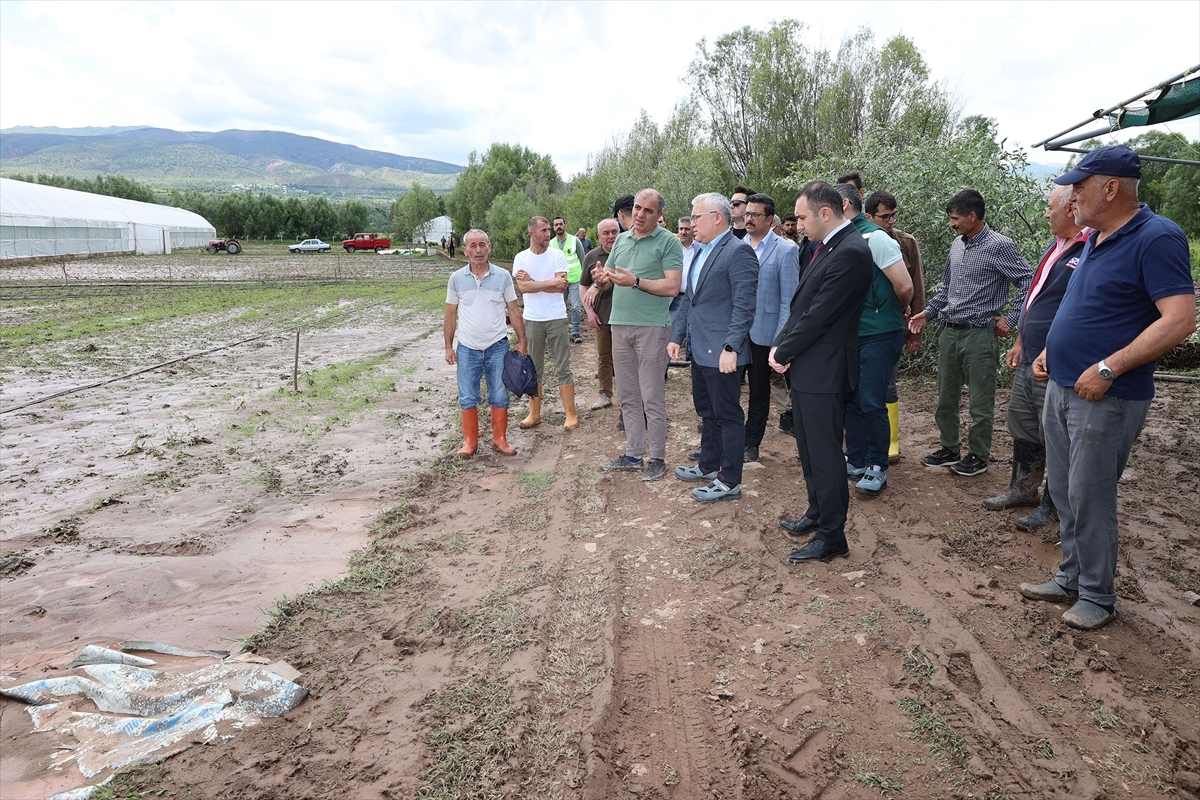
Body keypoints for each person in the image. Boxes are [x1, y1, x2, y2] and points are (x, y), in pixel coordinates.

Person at [1020, 145, 1195, 631]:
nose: (1072, 195)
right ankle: (1071, 577)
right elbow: (1088, 308)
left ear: (1111, 188)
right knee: (1063, 487)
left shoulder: (1156, 237)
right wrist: (1052, 350)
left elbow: (1180, 319)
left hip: (1107, 395)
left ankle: (1097, 595)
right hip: (1061, 383)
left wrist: (1108, 368)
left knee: (1089, 494)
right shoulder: (1095, 237)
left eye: (1080, 185)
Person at [769, 181, 873, 562]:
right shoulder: (824, 247)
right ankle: (818, 512)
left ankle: (832, 534)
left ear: (825, 213)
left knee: (826, 453)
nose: (796, 224)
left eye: (801, 217)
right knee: (810, 449)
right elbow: (802, 307)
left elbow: (820, 315)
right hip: (810, 365)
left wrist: (784, 349)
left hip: (825, 369)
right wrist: (784, 344)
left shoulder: (850, 252)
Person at [984, 186, 1090, 529]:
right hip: (1030, 355)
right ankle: (1022, 487)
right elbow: (1033, 299)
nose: (1046, 214)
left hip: (1057, 363)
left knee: (1055, 435)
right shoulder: (1055, 247)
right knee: (1024, 425)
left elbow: (1078, 309)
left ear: (1070, 208)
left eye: (1049, 207)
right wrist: (1019, 341)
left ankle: (1054, 504)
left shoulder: (1088, 248)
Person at [908, 189, 1033, 477]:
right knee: (945, 398)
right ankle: (949, 448)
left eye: (955, 218)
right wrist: (926, 314)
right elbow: (947, 291)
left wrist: (1011, 319)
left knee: (980, 400)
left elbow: (1028, 280)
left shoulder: (1000, 246)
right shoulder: (957, 245)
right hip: (949, 332)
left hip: (979, 335)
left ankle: (978, 455)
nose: (952, 223)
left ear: (972, 216)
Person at [668, 192, 758, 502]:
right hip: (701, 348)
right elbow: (689, 302)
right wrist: (675, 337)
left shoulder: (738, 252)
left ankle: (729, 480)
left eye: (695, 217)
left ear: (716, 218)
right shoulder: (701, 252)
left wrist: (731, 347)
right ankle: (708, 464)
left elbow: (744, 307)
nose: (691, 223)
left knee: (728, 415)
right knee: (708, 412)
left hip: (723, 352)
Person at [596, 189, 683, 481]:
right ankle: (633, 454)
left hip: (651, 327)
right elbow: (608, 281)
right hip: (619, 325)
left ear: (659, 215)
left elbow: (672, 287)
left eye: (648, 210)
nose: (640, 215)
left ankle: (657, 457)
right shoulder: (621, 239)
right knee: (629, 395)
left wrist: (635, 282)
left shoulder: (669, 242)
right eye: (637, 208)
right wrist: (600, 279)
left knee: (652, 396)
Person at [833, 184, 912, 496]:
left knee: (871, 399)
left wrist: (887, 311)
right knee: (851, 398)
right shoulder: (842, 238)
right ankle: (856, 458)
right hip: (852, 335)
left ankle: (877, 464)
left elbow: (904, 287)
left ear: (842, 205)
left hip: (879, 334)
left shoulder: (876, 238)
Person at [443, 229, 528, 456]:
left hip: (497, 347)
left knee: (499, 394)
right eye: (473, 245)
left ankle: (500, 439)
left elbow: (513, 309)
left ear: (489, 247)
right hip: (467, 349)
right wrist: (448, 346)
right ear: (465, 250)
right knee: (468, 395)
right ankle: (470, 442)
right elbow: (450, 314)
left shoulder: (502, 277)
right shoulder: (456, 279)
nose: (478, 250)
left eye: (482, 245)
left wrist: (522, 341)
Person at [865, 190, 926, 464]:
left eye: (893, 215)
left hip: (895, 327)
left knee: (888, 385)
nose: (890, 221)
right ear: (869, 217)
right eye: (884, 216)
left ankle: (891, 443)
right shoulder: (860, 240)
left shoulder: (907, 243)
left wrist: (915, 332)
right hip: (866, 327)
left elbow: (916, 289)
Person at [741, 193, 799, 464]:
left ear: (768, 219)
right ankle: (726, 438)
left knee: (759, 393)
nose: (748, 218)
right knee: (727, 389)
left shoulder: (786, 251)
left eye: (754, 214)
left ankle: (751, 443)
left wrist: (779, 340)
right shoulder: (735, 246)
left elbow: (789, 302)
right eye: (746, 213)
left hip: (765, 335)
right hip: (735, 333)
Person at [514, 216, 579, 431]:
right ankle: (534, 414)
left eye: (548, 229)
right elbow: (523, 289)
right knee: (534, 369)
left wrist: (532, 281)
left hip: (557, 317)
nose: (548, 233)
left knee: (563, 366)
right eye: (543, 230)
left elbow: (561, 287)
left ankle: (571, 413)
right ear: (531, 233)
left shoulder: (558, 255)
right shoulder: (521, 258)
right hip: (532, 320)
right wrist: (547, 282)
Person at [580, 218, 620, 410]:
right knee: (604, 356)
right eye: (606, 233)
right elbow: (583, 286)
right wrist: (589, 311)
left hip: (628, 318)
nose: (610, 236)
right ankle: (605, 394)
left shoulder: (627, 252)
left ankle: (630, 397)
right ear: (598, 236)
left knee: (627, 358)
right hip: (603, 316)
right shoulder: (591, 256)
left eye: (614, 231)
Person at [551, 216, 586, 343]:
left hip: (575, 278)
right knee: (561, 307)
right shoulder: (551, 244)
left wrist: (585, 278)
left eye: (561, 224)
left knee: (576, 306)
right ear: (553, 227)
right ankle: (562, 333)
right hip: (559, 281)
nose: (559, 226)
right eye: (556, 225)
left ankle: (575, 332)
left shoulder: (574, 240)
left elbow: (583, 259)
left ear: (565, 225)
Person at [669, 215, 700, 343]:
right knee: (670, 335)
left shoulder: (700, 248)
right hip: (674, 299)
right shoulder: (671, 248)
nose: (683, 232)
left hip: (694, 299)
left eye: (687, 229)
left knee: (694, 335)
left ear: (693, 229)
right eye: (681, 228)